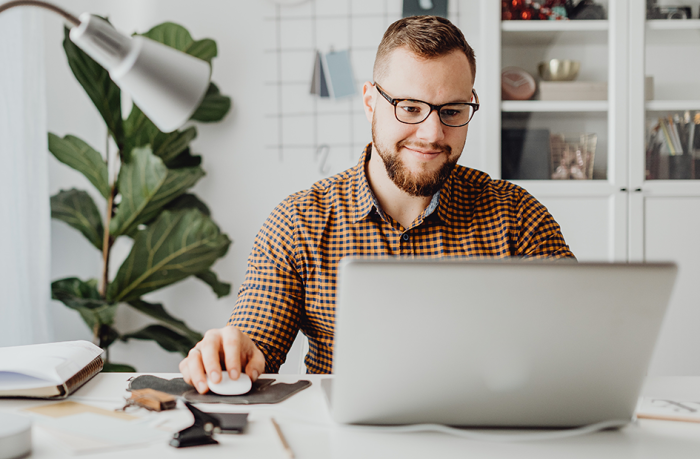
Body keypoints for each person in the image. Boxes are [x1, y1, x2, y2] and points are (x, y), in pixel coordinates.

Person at [179, 15, 574, 394]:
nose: (433, 134)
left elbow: (578, 338)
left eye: (452, 111)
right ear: (370, 101)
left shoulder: (518, 216)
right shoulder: (299, 221)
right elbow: (256, 341)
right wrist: (234, 353)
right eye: (410, 108)